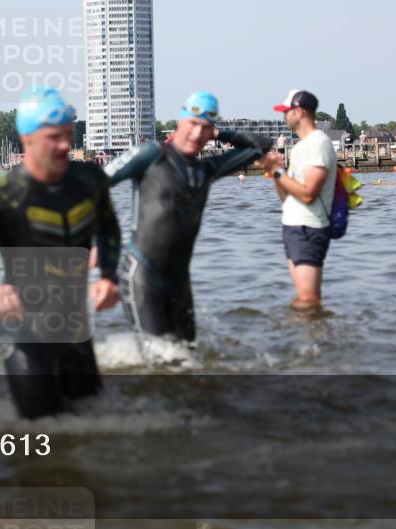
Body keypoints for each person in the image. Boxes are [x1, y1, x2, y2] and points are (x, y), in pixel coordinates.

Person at [0, 86, 121, 419]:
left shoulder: (90, 181)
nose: (66, 145)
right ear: (27, 139)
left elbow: (109, 230)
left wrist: (109, 276)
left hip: (74, 328)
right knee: (40, 435)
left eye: (68, 135)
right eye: (54, 137)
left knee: (94, 427)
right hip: (25, 332)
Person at [104, 91, 272, 347]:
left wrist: (219, 133)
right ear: (180, 122)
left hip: (179, 281)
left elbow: (263, 145)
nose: (196, 135)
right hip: (142, 276)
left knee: (187, 356)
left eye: (205, 129)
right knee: (159, 359)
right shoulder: (151, 154)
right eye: (192, 124)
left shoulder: (208, 168)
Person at [258, 89, 337, 309]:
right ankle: (303, 336)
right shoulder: (301, 146)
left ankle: (314, 340)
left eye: (286, 112)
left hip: (309, 227)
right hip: (294, 226)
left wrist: (276, 170)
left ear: (300, 112)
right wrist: (275, 171)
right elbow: (287, 197)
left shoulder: (318, 144)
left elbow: (308, 193)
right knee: (303, 297)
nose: (284, 117)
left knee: (308, 299)